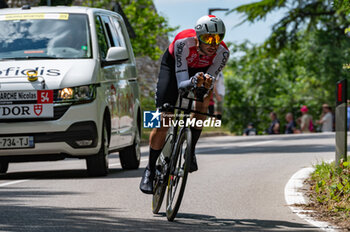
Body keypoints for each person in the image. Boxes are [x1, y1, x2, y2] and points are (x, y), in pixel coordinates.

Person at [139, 15, 230, 194]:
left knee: (203, 102)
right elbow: (181, 83)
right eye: (208, 38)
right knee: (165, 118)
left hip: (201, 71)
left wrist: (202, 86)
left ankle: (191, 150)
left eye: (218, 38)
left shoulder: (223, 53)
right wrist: (192, 81)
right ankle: (150, 170)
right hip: (174, 68)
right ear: (198, 37)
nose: (213, 44)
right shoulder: (183, 42)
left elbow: (210, 81)